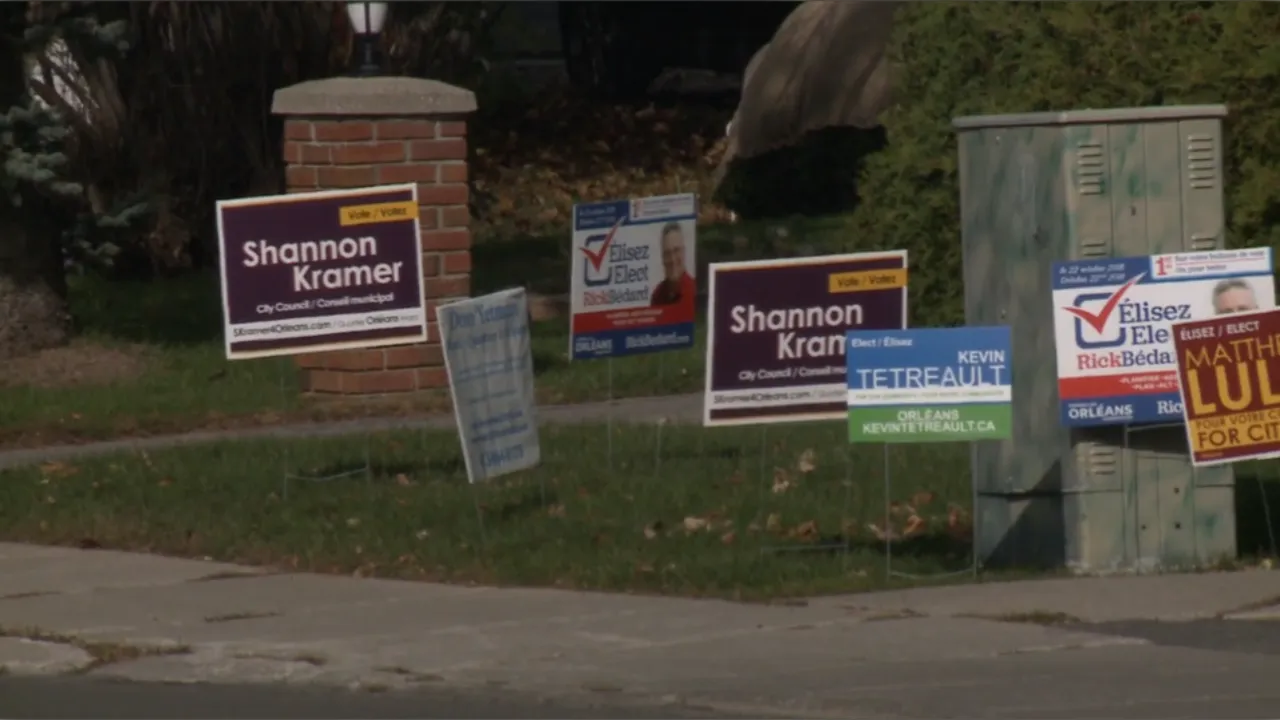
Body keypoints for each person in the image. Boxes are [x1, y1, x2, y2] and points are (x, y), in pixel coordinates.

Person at [650, 222, 695, 306]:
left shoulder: (694, 293)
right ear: (662, 258)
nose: (672, 259)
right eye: (667, 253)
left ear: (683, 252)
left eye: (676, 250)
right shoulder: (657, 297)